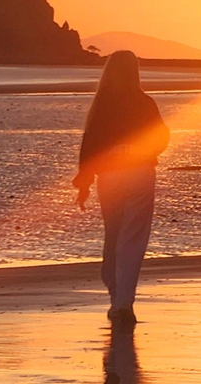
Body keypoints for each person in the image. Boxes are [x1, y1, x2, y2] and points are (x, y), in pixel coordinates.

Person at [72, 51, 170, 324]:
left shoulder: (102, 105)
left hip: (111, 175)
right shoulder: (145, 103)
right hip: (140, 173)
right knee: (133, 239)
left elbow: (90, 145)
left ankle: (117, 297)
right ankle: (123, 301)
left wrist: (84, 182)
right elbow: (162, 137)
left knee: (114, 236)